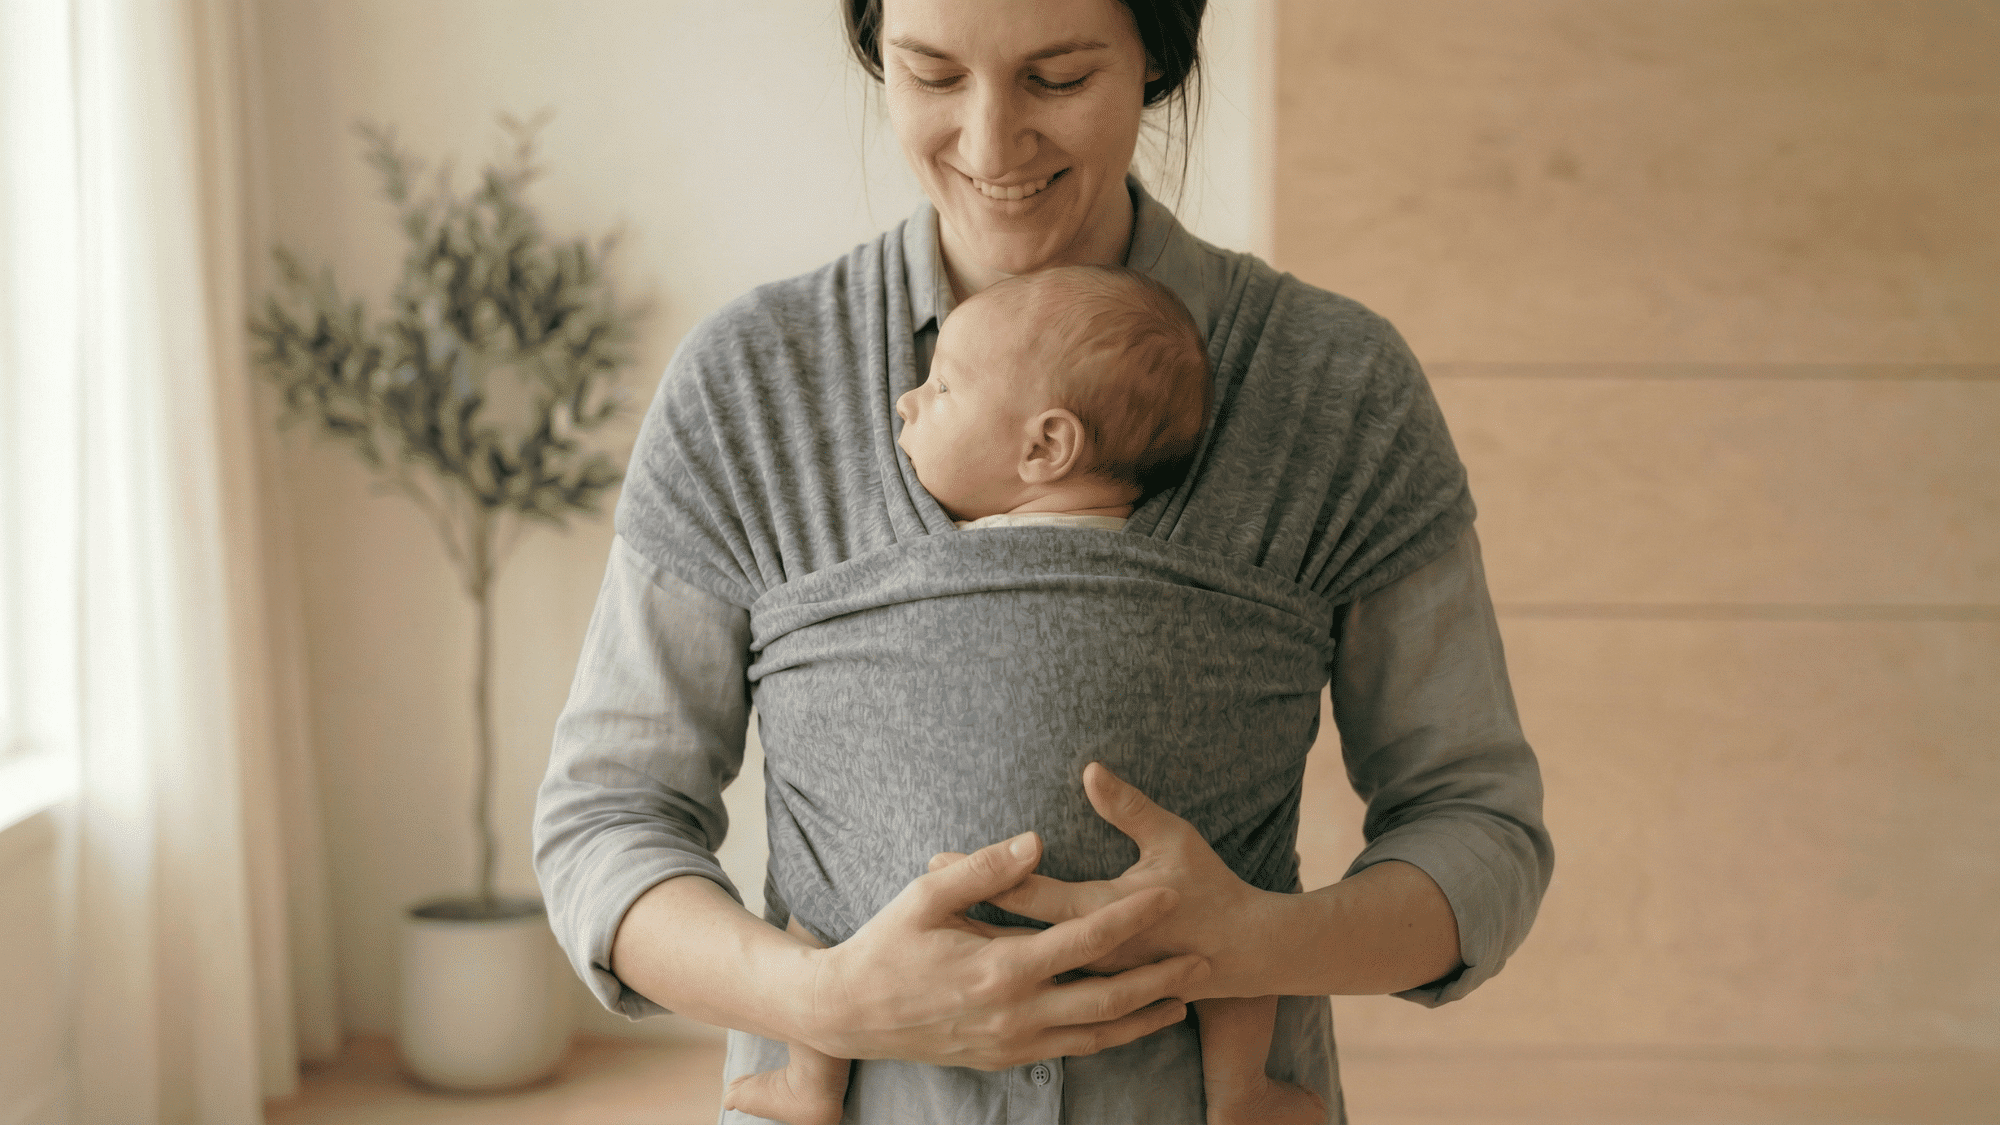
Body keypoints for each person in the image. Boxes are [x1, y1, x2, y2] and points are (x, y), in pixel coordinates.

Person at [533, 1, 1555, 1121]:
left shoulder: (1332, 387)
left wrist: (1258, 944)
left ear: (1156, 58)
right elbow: (605, 827)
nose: (987, 144)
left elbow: (1477, 826)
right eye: (929, 74)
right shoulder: (750, 385)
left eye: (1056, 79)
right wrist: (824, 1000)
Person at [722, 264, 1323, 1125]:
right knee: (1240, 882)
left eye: (943, 386)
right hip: (1148, 928)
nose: (905, 400)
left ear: (1044, 448)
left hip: (928, 892)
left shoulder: (963, 557)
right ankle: (1243, 1093)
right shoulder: (1204, 581)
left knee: (831, 874)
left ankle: (805, 1087)